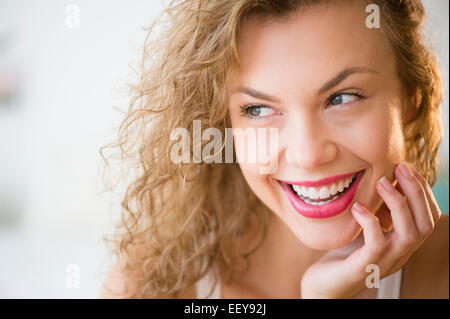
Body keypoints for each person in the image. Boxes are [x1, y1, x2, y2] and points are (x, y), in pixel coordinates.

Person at [100, 0, 448, 299]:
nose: (307, 154)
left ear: (409, 101)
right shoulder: (151, 284)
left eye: (342, 98)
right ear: (225, 125)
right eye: (258, 109)